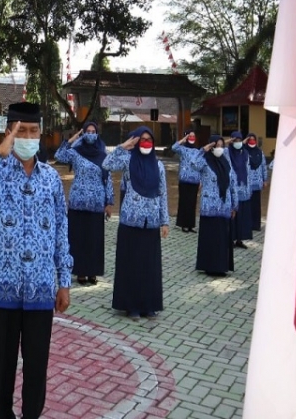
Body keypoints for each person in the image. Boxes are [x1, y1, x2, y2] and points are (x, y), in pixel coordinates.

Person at [0, 102, 72, 419]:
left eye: (32, 131)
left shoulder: (51, 179)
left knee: (37, 363)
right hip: (2, 287)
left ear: (41, 134)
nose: (27, 136)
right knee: (2, 363)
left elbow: (61, 230)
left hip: (41, 287)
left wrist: (64, 280)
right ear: (9, 133)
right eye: (19, 131)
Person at [104, 127, 169, 318]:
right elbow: (106, 164)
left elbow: (162, 194)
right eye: (142, 140)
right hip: (130, 222)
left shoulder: (159, 166)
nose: (146, 143)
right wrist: (124, 146)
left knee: (149, 266)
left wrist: (164, 221)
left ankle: (149, 305)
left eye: (149, 139)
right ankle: (131, 306)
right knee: (131, 265)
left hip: (152, 222)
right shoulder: (127, 160)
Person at [54, 121, 113, 285]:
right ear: (83, 133)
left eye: (94, 131)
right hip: (77, 202)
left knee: (94, 239)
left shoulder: (103, 154)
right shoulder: (75, 152)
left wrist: (109, 202)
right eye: (88, 131)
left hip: (97, 203)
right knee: (78, 239)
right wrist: (72, 139)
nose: (91, 134)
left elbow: (107, 179)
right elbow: (59, 155)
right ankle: (79, 271)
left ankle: (92, 272)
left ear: (97, 134)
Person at [174, 134, 237, 277]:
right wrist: (203, 150)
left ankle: (222, 266)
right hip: (209, 207)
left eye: (222, 146)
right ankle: (209, 266)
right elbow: (192, 163)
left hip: (224, 207)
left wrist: (235, 205)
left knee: (222, 238)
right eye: (216, 145)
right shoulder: (205, 161)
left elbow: (232, 184)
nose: (219, 148)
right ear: (211, 146)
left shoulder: (226, 163)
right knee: (211, 237)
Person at [173, 128, 202, 233]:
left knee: (192, 203)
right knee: (184, 202)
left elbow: (201, 166)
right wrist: (183, 139)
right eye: (190, 136)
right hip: (184, 180)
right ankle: (183, 224)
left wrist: (201, 180)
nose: (192, 138)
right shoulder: (183, 149)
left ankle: (191, 225)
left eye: (193, 136)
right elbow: (174, 147)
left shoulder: (198, 151)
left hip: (195, 181)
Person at [228, 131, 253, 248]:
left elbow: (248, 170)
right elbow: (220, 149)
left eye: (239, 140)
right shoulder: (228, 153)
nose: (237, 143)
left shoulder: (245, 153)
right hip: (232, 188)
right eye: (235, 140)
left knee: (242, 216)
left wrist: (249, 187)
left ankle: (240, 239)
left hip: (244, 189)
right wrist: (229, 142)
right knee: (233, 214)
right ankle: (231, 239)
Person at [244, 133, 268, 231]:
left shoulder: (259, 152)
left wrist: (265, 179)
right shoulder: (244, 152)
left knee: (256, 205)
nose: (252, 141)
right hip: (247, 182)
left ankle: (256, 224)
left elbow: (263, 166)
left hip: (257, 182)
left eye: (254, 139)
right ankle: (248, 224)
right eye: (250, 139)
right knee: (248, 204)